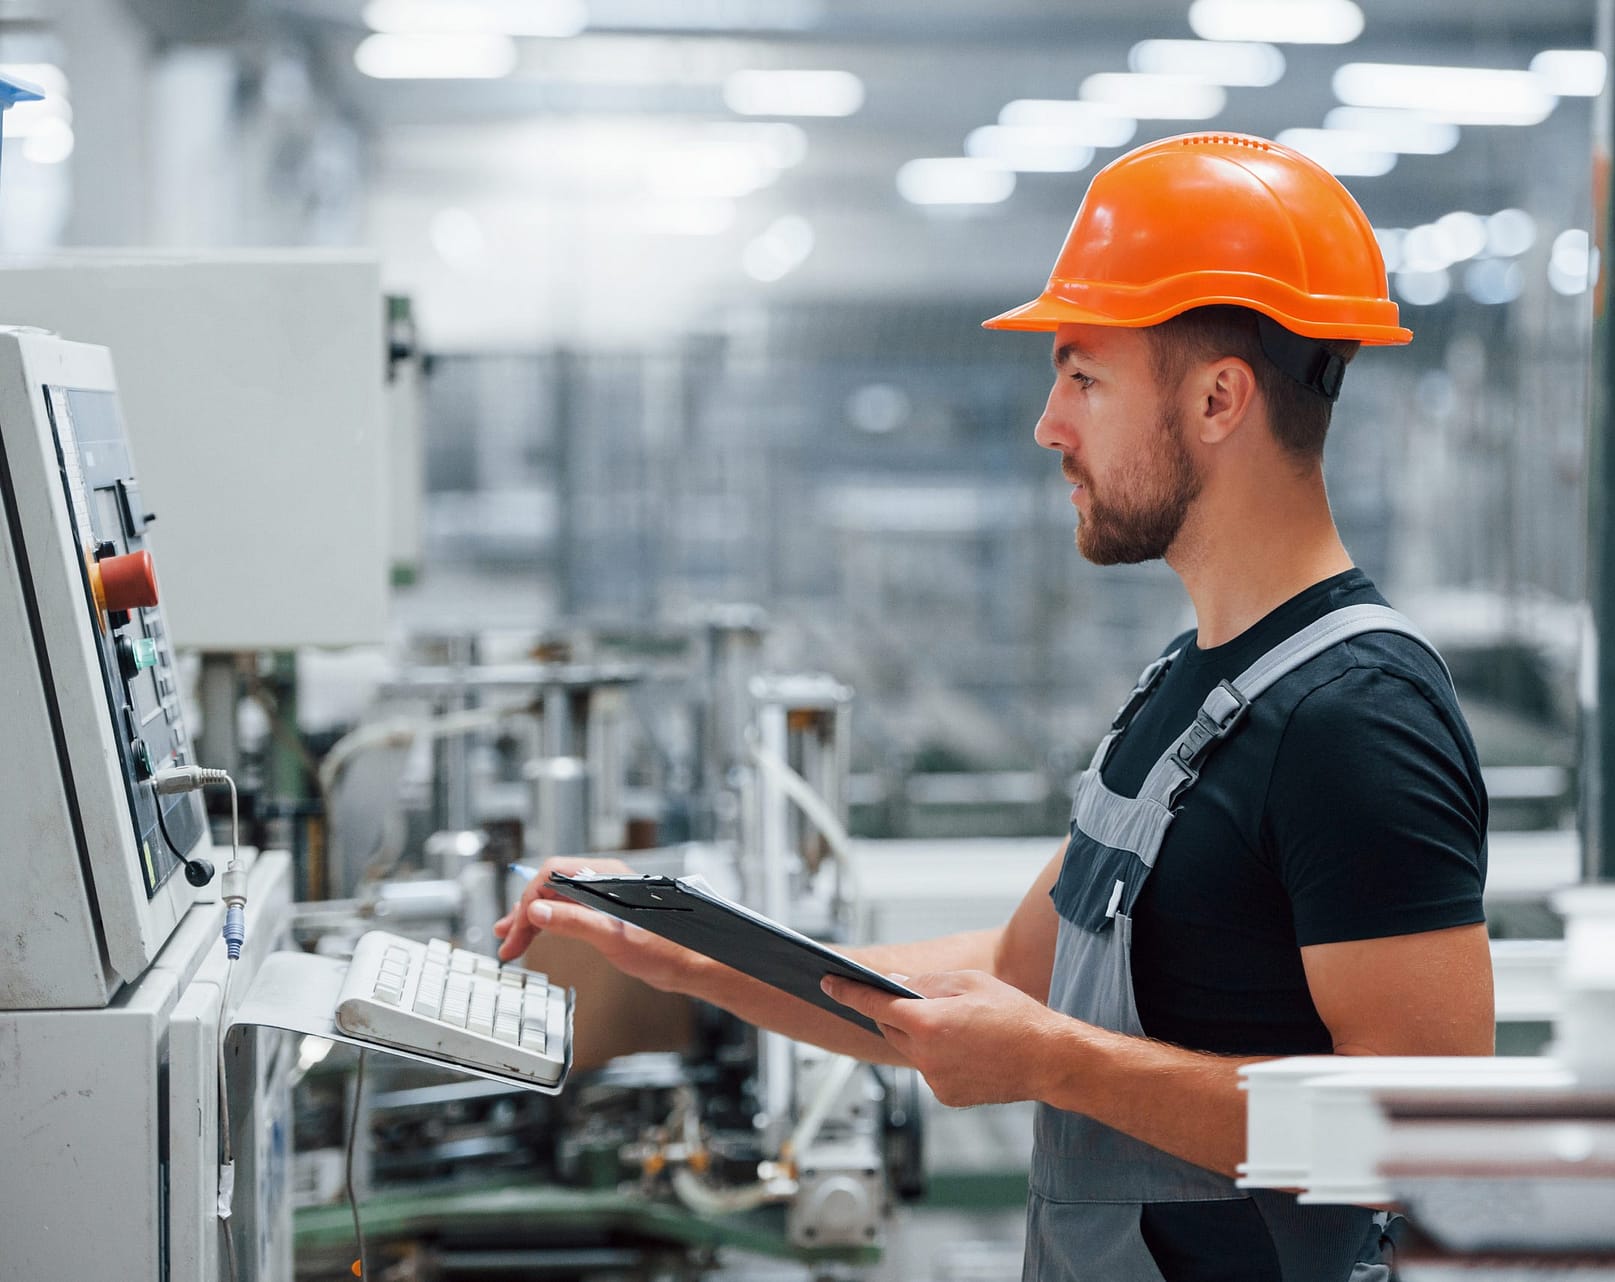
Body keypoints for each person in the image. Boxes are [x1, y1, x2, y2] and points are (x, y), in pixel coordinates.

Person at [496, 131, 1493, 1282]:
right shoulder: (1188, 685)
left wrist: (1057, 1064)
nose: (1047, 423)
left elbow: (1423, 1132)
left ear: (1220, 398)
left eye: (1082, 374)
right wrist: (689, 955)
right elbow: (1013, 983)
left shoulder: (1356, 716)